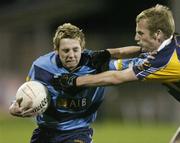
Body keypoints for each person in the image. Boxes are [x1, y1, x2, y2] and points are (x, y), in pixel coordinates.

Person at [56, 4, 180, 143]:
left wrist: (76, 81)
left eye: (140, 33)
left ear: (157, 34)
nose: (136, 37)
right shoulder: (171, 43)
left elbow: (117, 77)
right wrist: (106, 54)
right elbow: (126, 60)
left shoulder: (163, 61)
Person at [9, 23, 146, 143]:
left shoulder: (96, 64)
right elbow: (29, 93)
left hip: (78, 131)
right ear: (56, 50)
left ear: (82, 48)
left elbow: (135, 63)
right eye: (65, 50)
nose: (71, 55)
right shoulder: (41, 67)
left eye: (75, 49)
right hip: (46, 131)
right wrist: (14, 107)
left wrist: (151, 53)